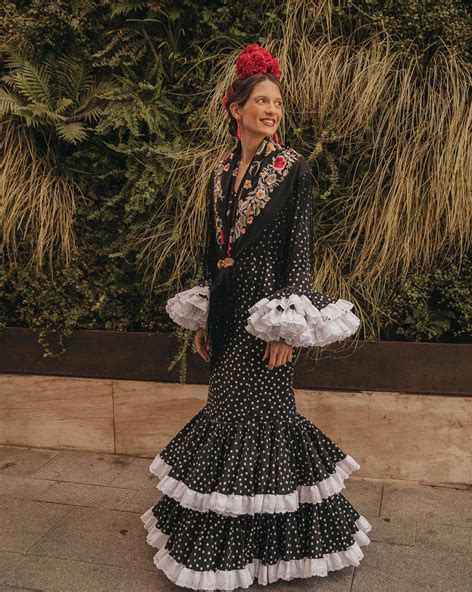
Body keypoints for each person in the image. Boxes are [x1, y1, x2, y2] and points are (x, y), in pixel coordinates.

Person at [141, 43, 372, 590]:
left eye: (277, 102)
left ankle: (261, 549)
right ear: (235, 108)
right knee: (225, 416)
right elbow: (210, 250)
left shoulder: (293, 168)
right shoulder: (219, 172)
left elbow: (301, 249)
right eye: (262, 101)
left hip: (265, 320)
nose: (272, 110)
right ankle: (235, 539)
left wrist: (288, 325)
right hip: (225, 318)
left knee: (264, 423)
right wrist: (202, 319)